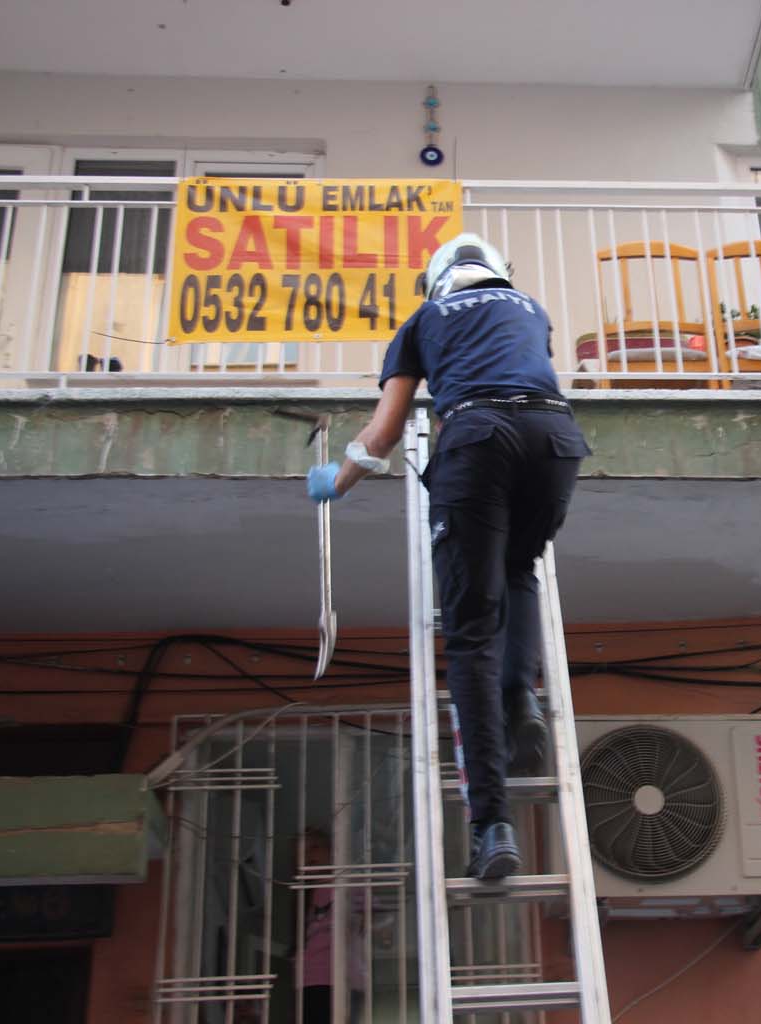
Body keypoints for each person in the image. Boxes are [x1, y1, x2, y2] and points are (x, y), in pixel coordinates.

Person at [306, 233, 590, 880]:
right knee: (520, 568)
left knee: (468, 636)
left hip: (477, 439)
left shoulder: (422, 320)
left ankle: (492, 826)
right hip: (556, 441)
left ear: (437, 281)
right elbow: (522, 375)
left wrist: (336, 482)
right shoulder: (529, 308)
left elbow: (385, 431)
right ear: (493, 272)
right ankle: (521, 698)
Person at [299, 829, 367, 1024]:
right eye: (303, 851)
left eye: (314, 847)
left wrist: (361, 921)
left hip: (343, 979)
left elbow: (379, 920)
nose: (309, 855)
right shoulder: (304, 894)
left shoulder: (350, 883)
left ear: (331, 851)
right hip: (311, 981)